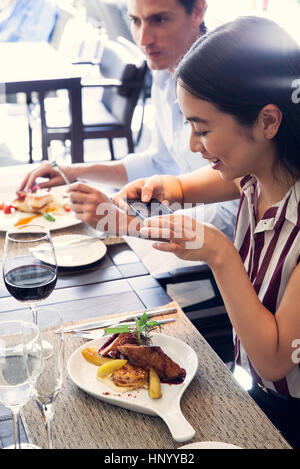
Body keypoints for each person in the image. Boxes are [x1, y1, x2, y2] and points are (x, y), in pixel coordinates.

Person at [115, 16, 300, 447]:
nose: (195, 146)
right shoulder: (258, 172)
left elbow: (275, 360)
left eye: (203, 129)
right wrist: (171, 187)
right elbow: (205, 182)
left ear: (268, 121)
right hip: (256, 393)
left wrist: (219, 254)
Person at [19, 0, 238, 240]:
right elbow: (160, 163)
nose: (143, 39)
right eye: (135, 21)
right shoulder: (163, 77)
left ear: (197, 11)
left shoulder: (226, 88)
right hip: (177, 228)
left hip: (216, 251)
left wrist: (129, 223)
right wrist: (73, 171)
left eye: (159, 20)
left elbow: (233, 218)